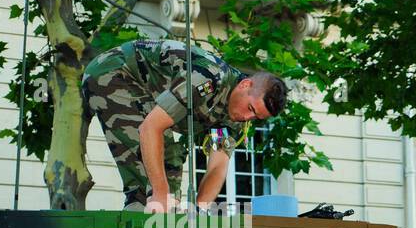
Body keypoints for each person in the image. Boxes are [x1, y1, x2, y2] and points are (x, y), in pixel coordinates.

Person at [81, 38, 288, 210]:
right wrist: (160, 193)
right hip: (115, 72)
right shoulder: (207, 79)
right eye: (250, 109)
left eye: (255, 118)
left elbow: (217, 165)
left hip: (145, 94)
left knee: (170, 167)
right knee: (153, 184)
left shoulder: (229, 120)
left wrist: (199, 210)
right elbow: (150, 128)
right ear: (245, 85)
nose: (247, 118)